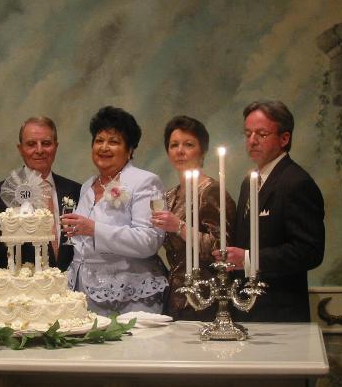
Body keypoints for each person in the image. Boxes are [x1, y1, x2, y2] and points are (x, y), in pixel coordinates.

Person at [214, 100, 325, 323]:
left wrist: (249, 259)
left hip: (280, 310)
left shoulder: (297, 183)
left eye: (262, 134)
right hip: (245, 307)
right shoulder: (249, 182)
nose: (252, 141)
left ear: (284, 138)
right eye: (248, 134)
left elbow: (309, 251)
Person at [62, 106, 167, 315]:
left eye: (113, 142)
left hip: (131, 297)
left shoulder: (146, 182)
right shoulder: (87, 186)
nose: (104, 147)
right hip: (85, 295)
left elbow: (149, 240)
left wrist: (94, 229)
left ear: (130, 150)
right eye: (99, 140)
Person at [152, 116, 236, 320]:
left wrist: (179, 227)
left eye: (188, 144)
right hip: (174, 294)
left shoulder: (210, 191)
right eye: (174, 145)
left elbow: (222, 249)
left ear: (202, 151)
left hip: (206, 294)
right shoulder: (169, 196)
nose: (180, 151)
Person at [0, 116, 81, 272]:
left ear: (56, 146)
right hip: (21, 284)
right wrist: (15, 226)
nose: (39, 150)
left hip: (68, 284)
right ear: (20, 149)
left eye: (46, 143)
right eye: (31, 144)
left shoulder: (75, 190)